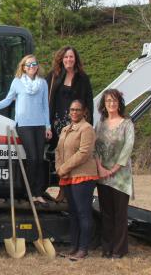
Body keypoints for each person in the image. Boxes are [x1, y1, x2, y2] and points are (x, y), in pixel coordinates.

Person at [0, 54, 53, 204]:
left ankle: (38, 193)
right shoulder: (17, 82)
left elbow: (45, 106)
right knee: (32, 158)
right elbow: (7, 101)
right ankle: (29, 193)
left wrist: (47, 126)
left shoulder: (42, 83)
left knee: (39, 159)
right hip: (24, 125)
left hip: (39, 125)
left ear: (37, 66)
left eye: (34, 64)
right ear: (23, 67)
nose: (32, 67)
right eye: (28, 64)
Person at [55, 99, 98, 261]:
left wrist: (64, 168)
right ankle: (73, 247)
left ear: (84, 112)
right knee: (72, 213)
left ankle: (83, 249)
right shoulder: (66, 129)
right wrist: (60, 168)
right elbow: (58, 151)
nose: (74, 112)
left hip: (83, 176)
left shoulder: (87, 129)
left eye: (78, 110)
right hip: (67, 177)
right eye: (72, 109)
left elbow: (84, 153)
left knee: (83, 213)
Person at [94, 89, 135, 259]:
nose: (111, 104)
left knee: (120, 214)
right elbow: (95, 149)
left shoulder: (127, 124)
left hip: (120, 177)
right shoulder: (100, 124)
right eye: (108, 101)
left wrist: (115, 168)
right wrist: (101, 168)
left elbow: (128, 147)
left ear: (119, 103)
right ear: (104, 104)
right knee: (106, 213)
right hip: (103, 175)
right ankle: (107, 248)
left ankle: (119, 249)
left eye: (115, 101)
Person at [46, 46, 94, 139]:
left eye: (71, 57)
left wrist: (89, 124)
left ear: (75, 59)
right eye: (66, 57)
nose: (69, 59)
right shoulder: (53, 76)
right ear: (61, 59)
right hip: (56, 124)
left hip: (76, 124)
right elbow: (43, 96)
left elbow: (89, 102)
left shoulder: (83, 78)